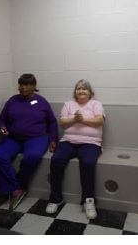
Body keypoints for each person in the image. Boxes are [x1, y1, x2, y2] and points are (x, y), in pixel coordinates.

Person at [0, 73, 58, 210]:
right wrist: (2, 127)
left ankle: (19, 184)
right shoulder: (12, 101)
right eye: (21, 84)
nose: (23, 87)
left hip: (37, 138)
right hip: (14, 138)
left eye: (27, 84)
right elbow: (1, 119)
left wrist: (53, 139)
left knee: (32, 156)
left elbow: (52, 121)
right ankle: (15, 188)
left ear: (34, 86)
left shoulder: (42, 102)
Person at [46, 79, 105, 220]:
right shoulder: (68, 104)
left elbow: (99, 121)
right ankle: (55, 198)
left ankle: (88, 201)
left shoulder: (96, 104)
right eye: (78, 88)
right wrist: (74, 119)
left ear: (90, 92)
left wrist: (82, 119)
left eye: (84, 89)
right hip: (68, 142)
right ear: (75, 92)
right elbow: (63, 123)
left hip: (91, 143)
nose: (81, 91)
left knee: (88, 163)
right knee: (56, 160)